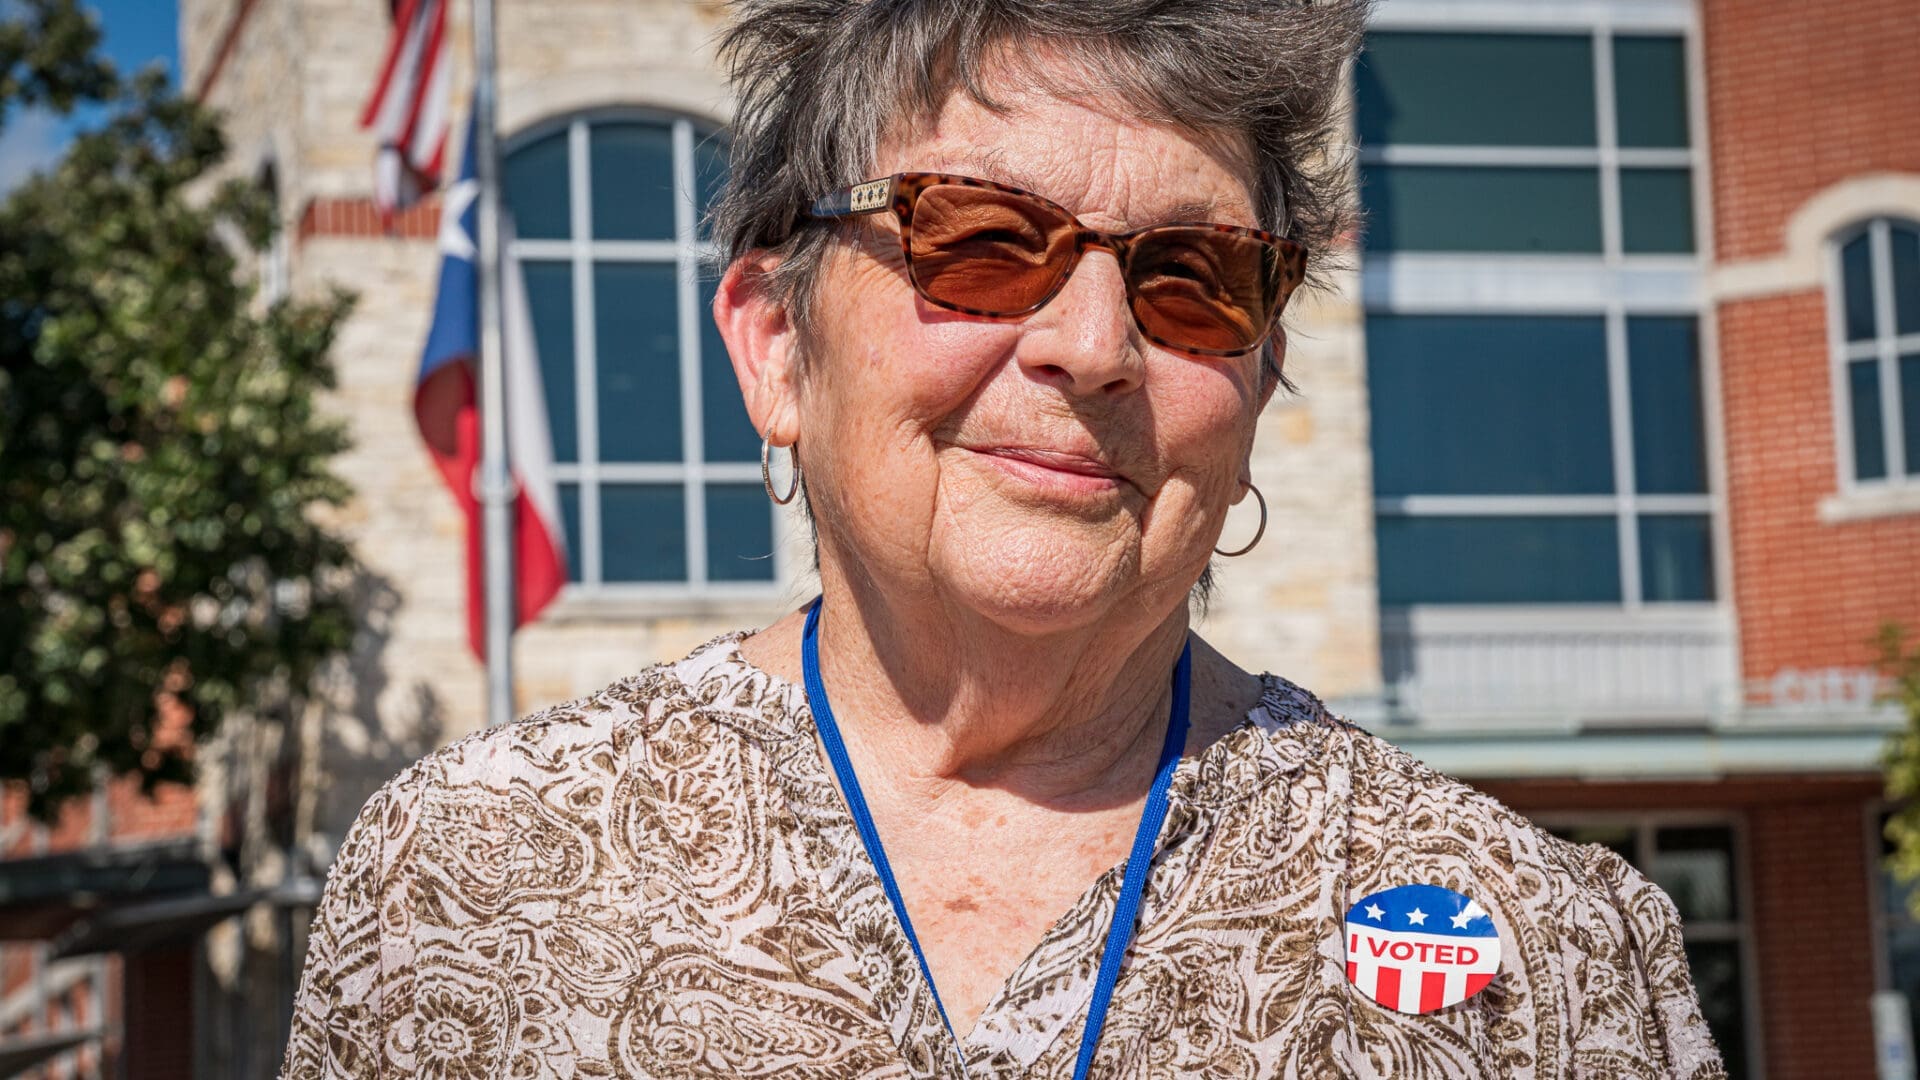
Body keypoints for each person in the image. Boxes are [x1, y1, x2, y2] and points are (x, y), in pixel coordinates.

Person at [279, 1, 1727, 1076]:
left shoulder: (1543, 949)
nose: (1092, 345)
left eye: (1194, 276)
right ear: (777, 342)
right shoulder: (471, 876)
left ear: (1263, 374)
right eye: (977, 237)